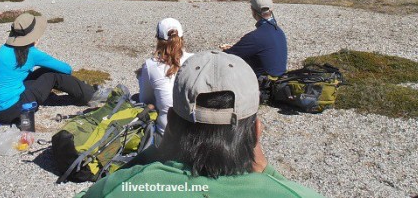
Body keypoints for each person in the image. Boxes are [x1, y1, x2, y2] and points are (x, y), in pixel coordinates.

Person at [76, 51, 326, 198]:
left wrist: (149, 159)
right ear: (256, 130)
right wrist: (268, 171)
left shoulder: (124, 188)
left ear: (171, 122)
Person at [0, 13, 109, 125]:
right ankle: (92, 94)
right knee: (52, 75)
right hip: (10, 111)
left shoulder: (3, 50)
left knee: (40, 72)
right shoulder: (31, 52)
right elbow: (67, 69)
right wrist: (36, 49)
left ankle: (84, 90)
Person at [137, 18, 193, 143]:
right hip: (194, 137)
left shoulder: (151, 65)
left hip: (167, 138)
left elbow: (145, 100)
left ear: (158, 40)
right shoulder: (196, 60)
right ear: (182, 37)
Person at [221, 0, 287, 77]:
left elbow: (227, 57)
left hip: (263, 85)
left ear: (253, 10)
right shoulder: (279, 31)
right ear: (271, 9)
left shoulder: (254, 37)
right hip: (279, 81)